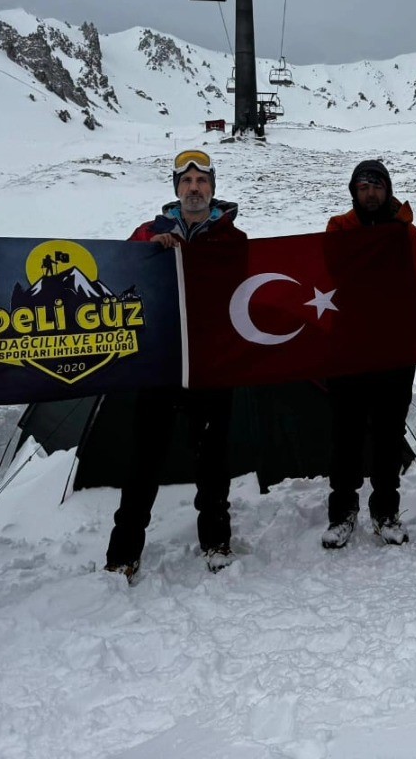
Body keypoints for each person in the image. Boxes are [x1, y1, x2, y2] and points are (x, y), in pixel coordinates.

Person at [104, 149, 245, 578]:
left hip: (211, 364)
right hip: (161, 363)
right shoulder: (149, 232)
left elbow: (243, 293)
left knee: (213, 461)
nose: (194, 188)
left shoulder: (232, 239)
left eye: (202, 181)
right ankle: (124, 552)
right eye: (186, 182)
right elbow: (120, 278)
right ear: (176, 190)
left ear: (213, 189)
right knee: (143, 460)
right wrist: (151, 251)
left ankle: (216, 541)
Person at [320, 160, 416, 549]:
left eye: (377, 186)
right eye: (363, 186)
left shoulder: (406, 233)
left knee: (389, 435)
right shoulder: (339, 228)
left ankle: (386, 511)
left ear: (388, 190)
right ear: (353, 191)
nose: (370, 193)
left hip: (394, 348)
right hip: (347, 350)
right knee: (344, 436)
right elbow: (326, 277)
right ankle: (342, 513)